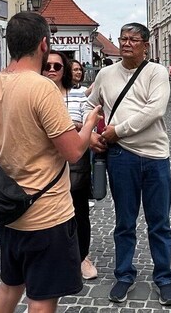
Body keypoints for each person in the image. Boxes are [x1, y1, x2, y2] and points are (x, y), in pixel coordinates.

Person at [0, 13, 96, 313]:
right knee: (41, 300)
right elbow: (73, 152)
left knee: (9, 287)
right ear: (44, 44)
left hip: (8, 208)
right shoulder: (43, 88)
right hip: (46, 214)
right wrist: (89, 123)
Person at [86, 23, 171, 306]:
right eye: (123, 38)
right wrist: (90, 133)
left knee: (159, 222)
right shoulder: (105, 74)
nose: (126, 44)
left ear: (145, 45)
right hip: (120, 158)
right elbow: (91, 105)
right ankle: (124, 274)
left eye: (133, 40)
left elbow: (155, 110)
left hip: (154, 157)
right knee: (124, 222)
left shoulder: (157, 73)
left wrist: (116, 130)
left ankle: (164, 278)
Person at [42, 51, 98, 280]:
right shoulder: (34, 95)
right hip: (44, 163)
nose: (52, 70)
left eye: (57, 66)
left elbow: (89, 129)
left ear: (64, 70)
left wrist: (69, 125)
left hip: (74, 162)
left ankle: (82, 255)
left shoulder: (78, 96)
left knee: (79, 210)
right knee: (47, 212)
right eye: (48, 66)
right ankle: (52, 257)